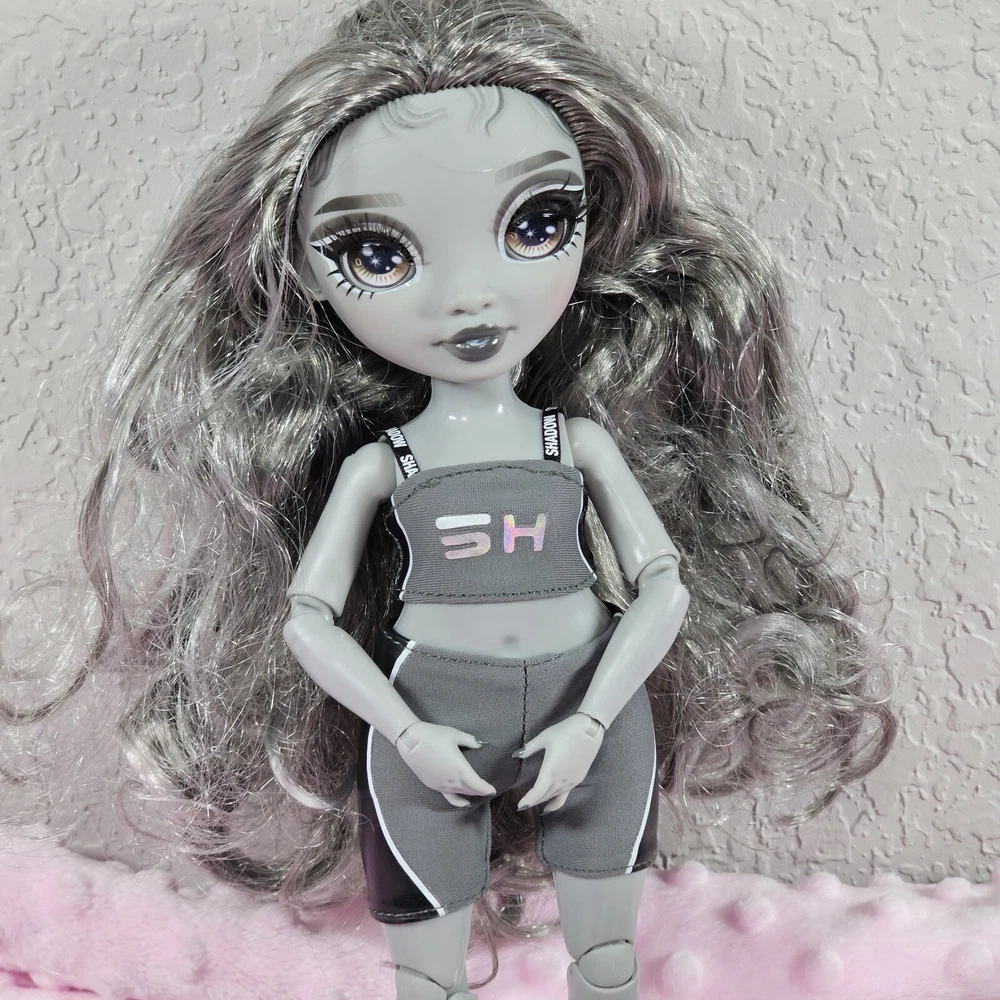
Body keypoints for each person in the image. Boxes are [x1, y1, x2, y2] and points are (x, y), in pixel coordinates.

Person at [4, 1, 896, 998]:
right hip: (428, 703)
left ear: (596, 225)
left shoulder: (575, 444)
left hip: (589, 692)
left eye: (536, 223)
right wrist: (405, 729)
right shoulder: (379, 466)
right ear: (302, 269)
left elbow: (664, 587)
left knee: (608, 956)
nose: (469, 297)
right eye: (377, 253)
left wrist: (594, 719)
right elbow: (308, 618)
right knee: (426, 969)